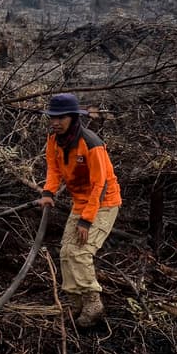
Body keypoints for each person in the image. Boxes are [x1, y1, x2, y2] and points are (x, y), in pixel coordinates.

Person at [37, 92, 121, 327]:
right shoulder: (54, 140)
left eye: (60, 117)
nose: (55, 122)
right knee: (66, 251)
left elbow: (100, 185)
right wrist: (48, 193)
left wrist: (86, 220)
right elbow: (54, 169)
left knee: (81, 252)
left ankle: (93, 303)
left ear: (73, 118)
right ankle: (75, 303)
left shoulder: (91, 144)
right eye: (52, 117)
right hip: (81, 201)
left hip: (103, 203)